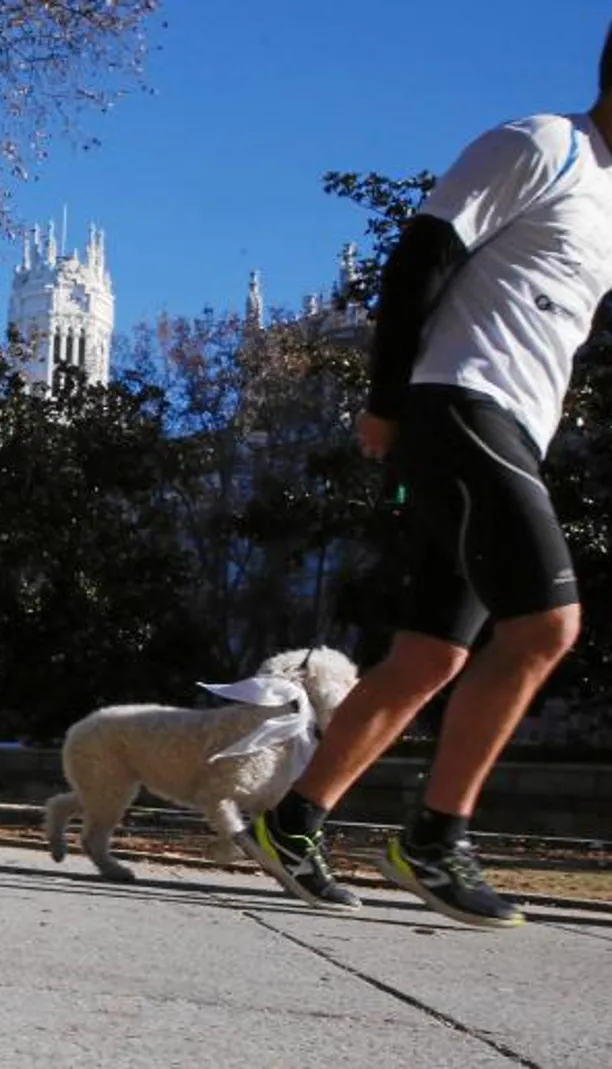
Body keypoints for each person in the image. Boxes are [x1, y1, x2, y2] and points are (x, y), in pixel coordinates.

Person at [241, 36, 612, 929]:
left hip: (515, 430)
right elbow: (420, 258)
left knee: (431, 655)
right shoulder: (539, 145)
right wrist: (386, 402)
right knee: (548, 624)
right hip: (458, 409)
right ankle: (438, 839)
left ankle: (292, 825)